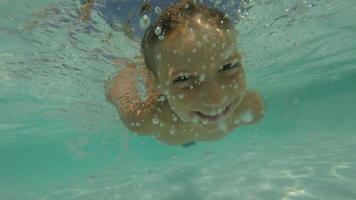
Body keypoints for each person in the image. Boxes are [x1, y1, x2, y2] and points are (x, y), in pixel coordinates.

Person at [106, 0, 264, 147]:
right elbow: (117, 89)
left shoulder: (252, 108)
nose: (215, 99)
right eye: (184, 79)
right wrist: (130, 69)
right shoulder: (145, 119)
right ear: (156, 82)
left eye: (227, 66)